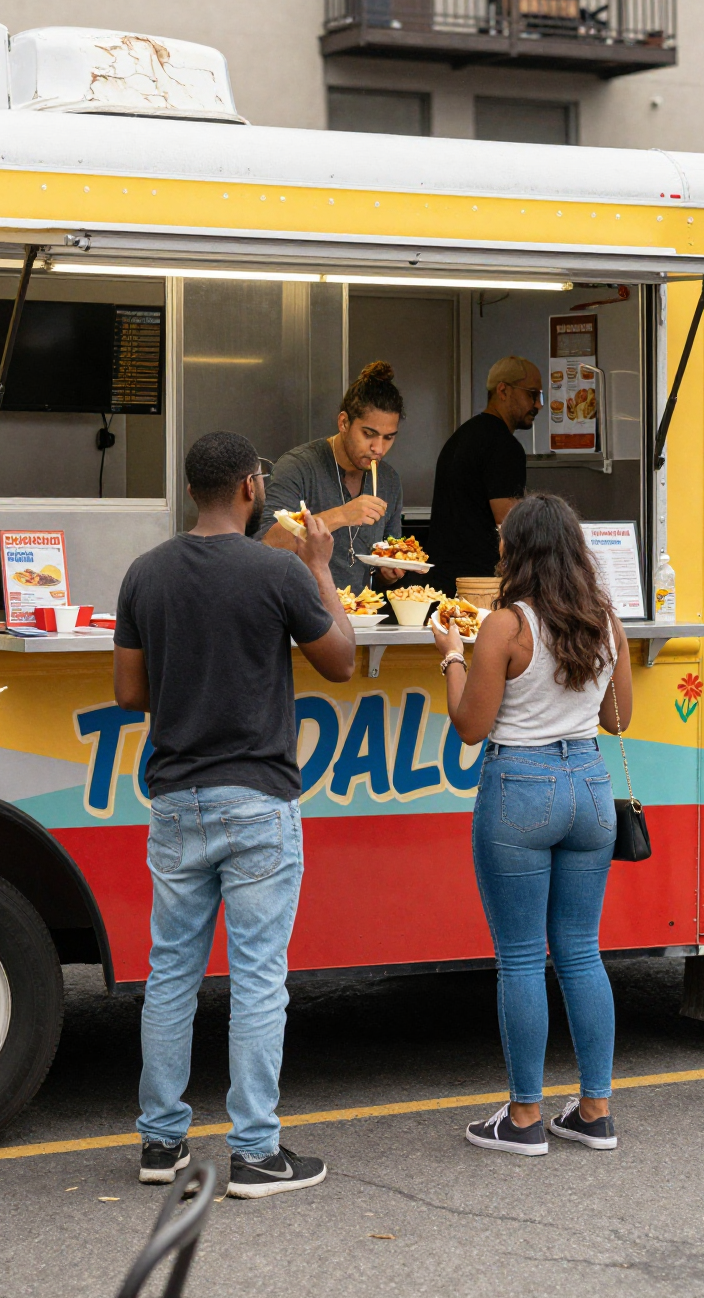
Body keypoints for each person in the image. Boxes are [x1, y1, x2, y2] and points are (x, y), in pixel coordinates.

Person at [114, 431, 356, 1198]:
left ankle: (160, 1144)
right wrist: (320, 567)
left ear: (194, 489)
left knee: (171, 975)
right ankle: (256, 1152)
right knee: (257, 980)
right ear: (253, 487)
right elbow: (341, 658)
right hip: (258, 799)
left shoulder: (144, 575)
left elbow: (129, 693)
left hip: (177, 800)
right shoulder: (279, 570)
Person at [432, 494, 632, 1155]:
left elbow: (470, 727)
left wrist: (451, 658)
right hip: (590, 788)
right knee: (581, 951)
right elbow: (618, 719)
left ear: (516, 552)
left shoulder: (505, 626)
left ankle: (524, 1119)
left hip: (521, 785)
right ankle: (595, 1110)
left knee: (521, 956)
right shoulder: (604, 618)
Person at [258, 360, 407, 592]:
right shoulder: (298, 467)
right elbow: (267, 543)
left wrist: (389, 573)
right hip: (299, 616)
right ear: (344, 422)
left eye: (389, 437)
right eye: (369, 434)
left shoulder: (389, 480)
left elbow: (384, 561)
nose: (378, 448)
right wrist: (342, 514)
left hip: (361, 616)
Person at [427, 355, 542, 594]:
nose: (539, 404)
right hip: (479, 585)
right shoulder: (504, 446)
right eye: (532, 394)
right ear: (503, 390)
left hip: (441, 581)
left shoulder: (460, 437)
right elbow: (510, 525)